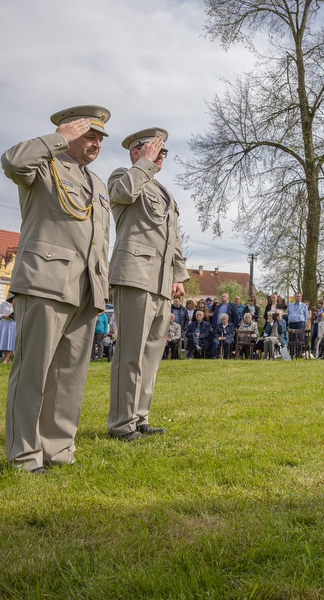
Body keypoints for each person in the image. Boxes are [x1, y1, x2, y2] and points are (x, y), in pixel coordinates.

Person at [1, 105, 112, 474]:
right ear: (69, 132)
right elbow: (13, 162)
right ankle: (24, 456)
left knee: (68, 377)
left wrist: (101, 286)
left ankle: (58, 449)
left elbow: (99, 241)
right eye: (89, 135)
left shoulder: (97, 183)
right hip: (46, 281)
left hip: (86, 288)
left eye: (100, 139)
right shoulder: (43, 164)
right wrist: (57, 139)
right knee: (33, 373)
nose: (96, 144)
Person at [106, 128, 187, 441]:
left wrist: (178, 275)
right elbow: (123, 194)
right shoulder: (124, 176)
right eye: (155, 149)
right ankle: (121, 423)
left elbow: (173, 238)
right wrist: (145, 163)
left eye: (163, 151)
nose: (160, 155)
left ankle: (140, 418)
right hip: (135, 275)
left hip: (161, 281)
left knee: (152, 353)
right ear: (135, 152)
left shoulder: (164, 192)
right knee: (131, 353)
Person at [0, 300, 16, 364]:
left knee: (11, 341)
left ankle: (6, 359)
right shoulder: (4, 303)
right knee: (4, 341)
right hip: (4, 323)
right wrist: (4, 316)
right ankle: (7, 359)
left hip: (13, 324)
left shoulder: (16, 303)